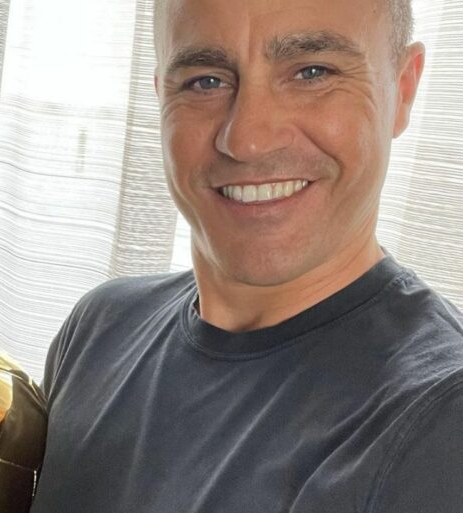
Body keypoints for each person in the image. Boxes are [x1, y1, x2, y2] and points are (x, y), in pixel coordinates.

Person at [29, 0, 463, 512]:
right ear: (161, 96)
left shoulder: (443, 422)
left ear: (403, 90)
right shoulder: (99, 328)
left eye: (312, 72)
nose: (248, 140)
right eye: (205, 81)